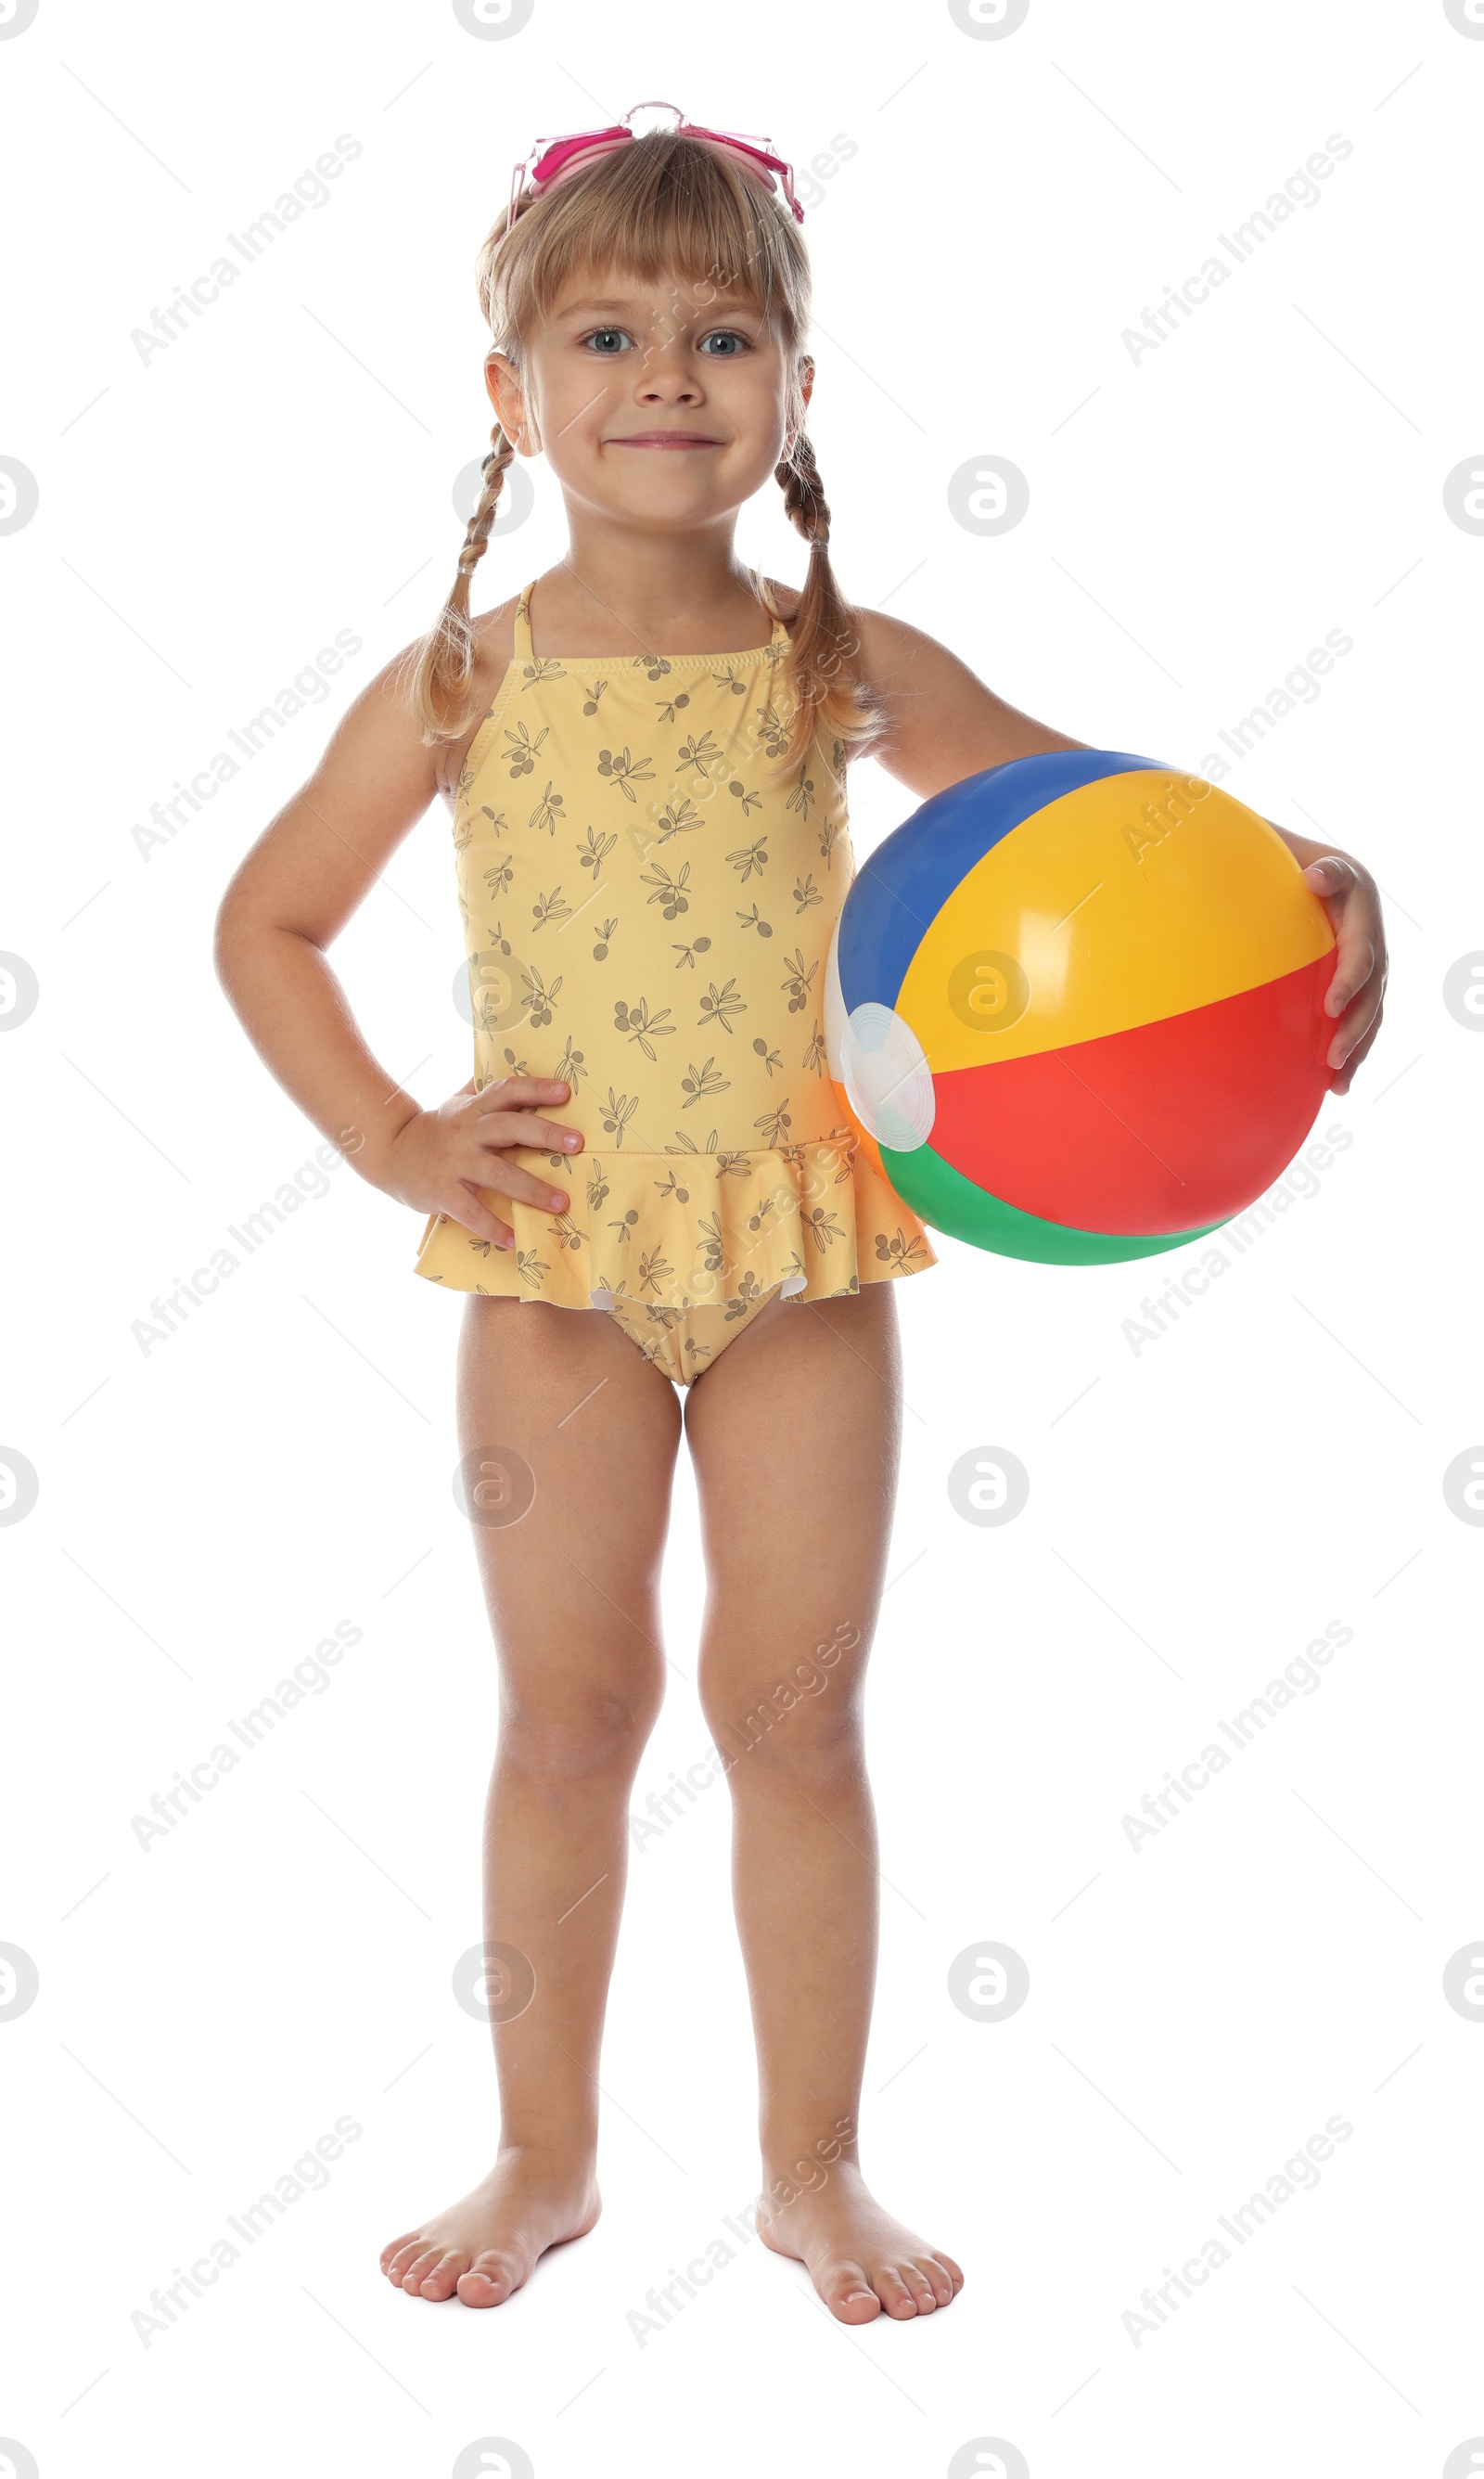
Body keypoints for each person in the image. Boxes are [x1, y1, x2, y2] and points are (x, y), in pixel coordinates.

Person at [212, 104, 1387, 2325]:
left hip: (802, 1257)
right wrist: (393, 1139)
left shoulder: (840, 664)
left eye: (724, 330)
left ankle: (810, 2165)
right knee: (567, 1716)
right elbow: (266, 921)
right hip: (552, 1260)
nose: (670, 371)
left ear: (796, 389)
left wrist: (1309, 873)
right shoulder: (462, 679)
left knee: (790, 1712)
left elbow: (1115, 838)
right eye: (611, 331)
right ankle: (541, 2154)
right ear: (513, 395)